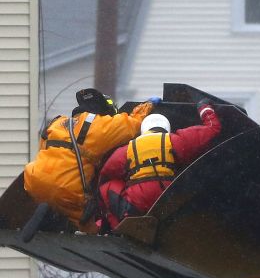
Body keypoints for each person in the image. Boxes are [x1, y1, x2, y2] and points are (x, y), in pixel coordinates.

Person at [24, 89, 157, 232]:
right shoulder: (98, 126)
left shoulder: (57, 123)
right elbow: (132, 124)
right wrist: (147, 105)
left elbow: (44, 149)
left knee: (58, 203)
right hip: (65, 190)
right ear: (105, 111)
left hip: (34, 182)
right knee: (89, 228)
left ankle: (50, 217)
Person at [96, 99, 222, 231]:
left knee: (105, 187)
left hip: (138, 203)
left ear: (144, 129)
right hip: (169, 200)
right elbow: (213, 128)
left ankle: (117, 228)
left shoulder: (127, 150)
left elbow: (106, 174)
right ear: (167, 128)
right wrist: (204, 107)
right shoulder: (176, 140)